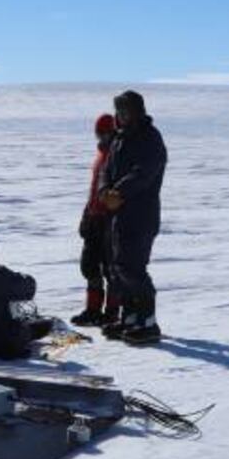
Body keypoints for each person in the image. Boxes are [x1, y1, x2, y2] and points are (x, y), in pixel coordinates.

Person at [98, 90, 167, 345]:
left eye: (126, 111)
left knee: (133, 267)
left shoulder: (150, 138)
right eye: (119, 111)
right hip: (118, 213)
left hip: (141, 213)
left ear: (138, 111)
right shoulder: (118, 139)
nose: (121, 116)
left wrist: (120, 191)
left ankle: (148, 322)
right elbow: (106, 169)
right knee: (118, 267)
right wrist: (105, 190)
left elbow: (144, 172)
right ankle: (129, 317)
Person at [70, 113, 120, 327]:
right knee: (89, 265)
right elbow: (94, 189)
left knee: (111, 268)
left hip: (110, 219)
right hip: (94, 217)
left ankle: (111, 313)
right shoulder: (101, 154)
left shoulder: (118, 154)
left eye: (105, 133)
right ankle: (93, 310)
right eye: (98, 133)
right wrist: (87, 213)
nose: (101, 137)